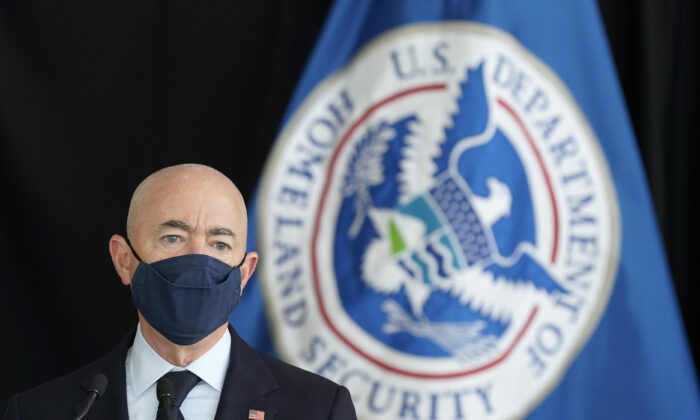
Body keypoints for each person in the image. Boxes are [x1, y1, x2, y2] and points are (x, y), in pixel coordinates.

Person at [4, 164, 357, 420]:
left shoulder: (319, 408)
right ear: (124, 260)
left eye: (219, 244)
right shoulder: (38, 411)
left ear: (245, 272)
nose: (197, 261)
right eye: (172, 239)